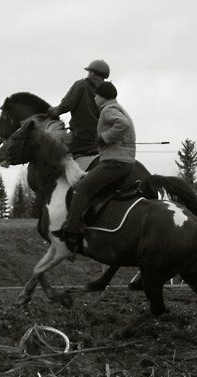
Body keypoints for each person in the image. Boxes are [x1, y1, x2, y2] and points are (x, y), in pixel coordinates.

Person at [52, 81, 136, 253]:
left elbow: (123, 124)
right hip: (125, 162)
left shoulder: (108, 110)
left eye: (97, 95)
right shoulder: (118, 108)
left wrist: (105, 138)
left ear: (104, 96)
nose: (95, 98)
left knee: (82, 187)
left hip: (115, 161)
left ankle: (71, 232)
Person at [47, 60, 110, 157]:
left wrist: (51, 111)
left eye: (89, 72)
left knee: (50, 148)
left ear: (92, 73)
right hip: (99, 139)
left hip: (79, 137)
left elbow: (65, 106)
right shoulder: (107, 92)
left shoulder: (81, 85)